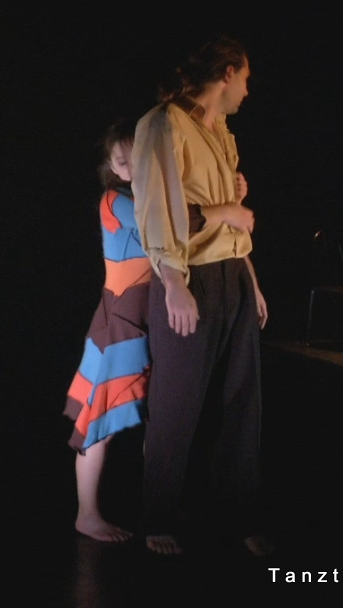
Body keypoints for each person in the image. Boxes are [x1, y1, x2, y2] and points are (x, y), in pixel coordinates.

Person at [131, 33, 274, 556]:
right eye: (246, 78)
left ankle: (239, 517)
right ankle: (157, 517)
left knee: (241, 404)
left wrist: (249, 278)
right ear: (227, 73)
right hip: (189, 276)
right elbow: (159, 212)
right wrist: (173, 282)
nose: (248, 90)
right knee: (176, 403)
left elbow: (227, 222)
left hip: (232, 274)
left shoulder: (220, 133)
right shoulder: (164, 124)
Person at [63, 119, 150, 542]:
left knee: (125, 414)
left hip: (135, 317)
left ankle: (153, 502)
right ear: (112, 166)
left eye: (137, 158)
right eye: (122, 160)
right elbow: (168, 231)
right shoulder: (116, 200)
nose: (130, 167)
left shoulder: (143, 198)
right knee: (100, 418)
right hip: (121, 320)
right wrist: (225, 211)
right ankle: (87, 514)